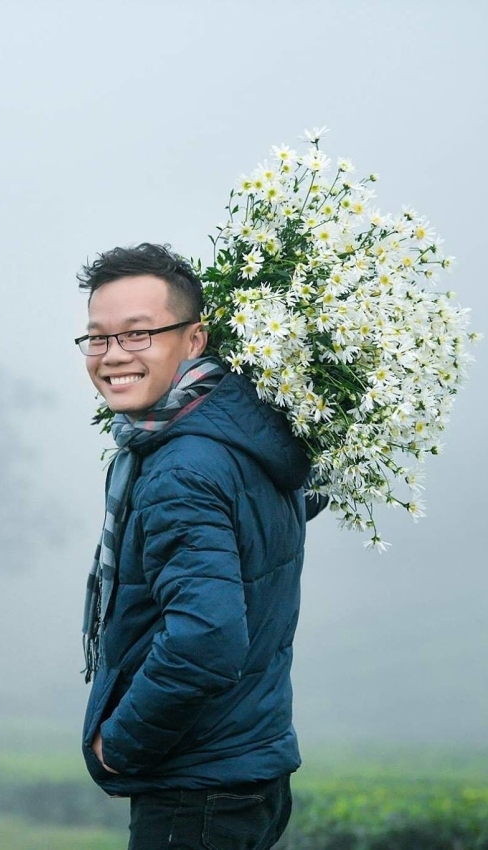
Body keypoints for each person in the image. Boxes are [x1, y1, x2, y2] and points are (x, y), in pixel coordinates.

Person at [75, 243, 326, 850]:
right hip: (249, 767)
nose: (113, 355)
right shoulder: (252, 436)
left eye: (138, 334)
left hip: (197, 790)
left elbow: (205, 639)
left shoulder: (182, 469)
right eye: (97, 338)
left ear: (195, 340)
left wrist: (120, 744)